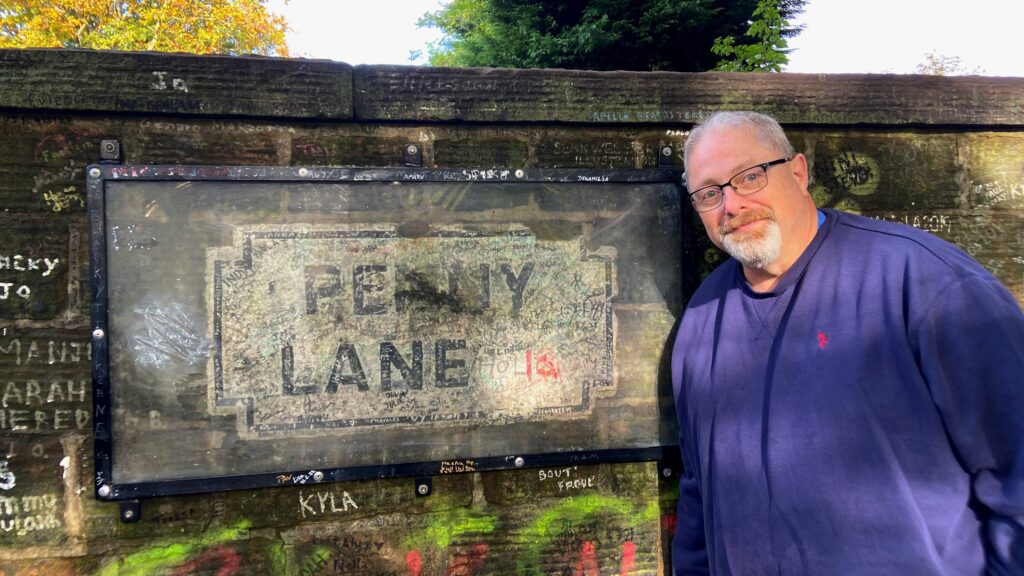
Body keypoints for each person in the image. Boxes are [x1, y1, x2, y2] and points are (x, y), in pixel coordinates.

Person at [670, 110, 1024, 575]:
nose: (731, 205)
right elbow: (699, 496)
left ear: (798, 172)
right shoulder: (700, 321)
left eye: (749, 177)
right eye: (709, 193)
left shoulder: (924, 284)